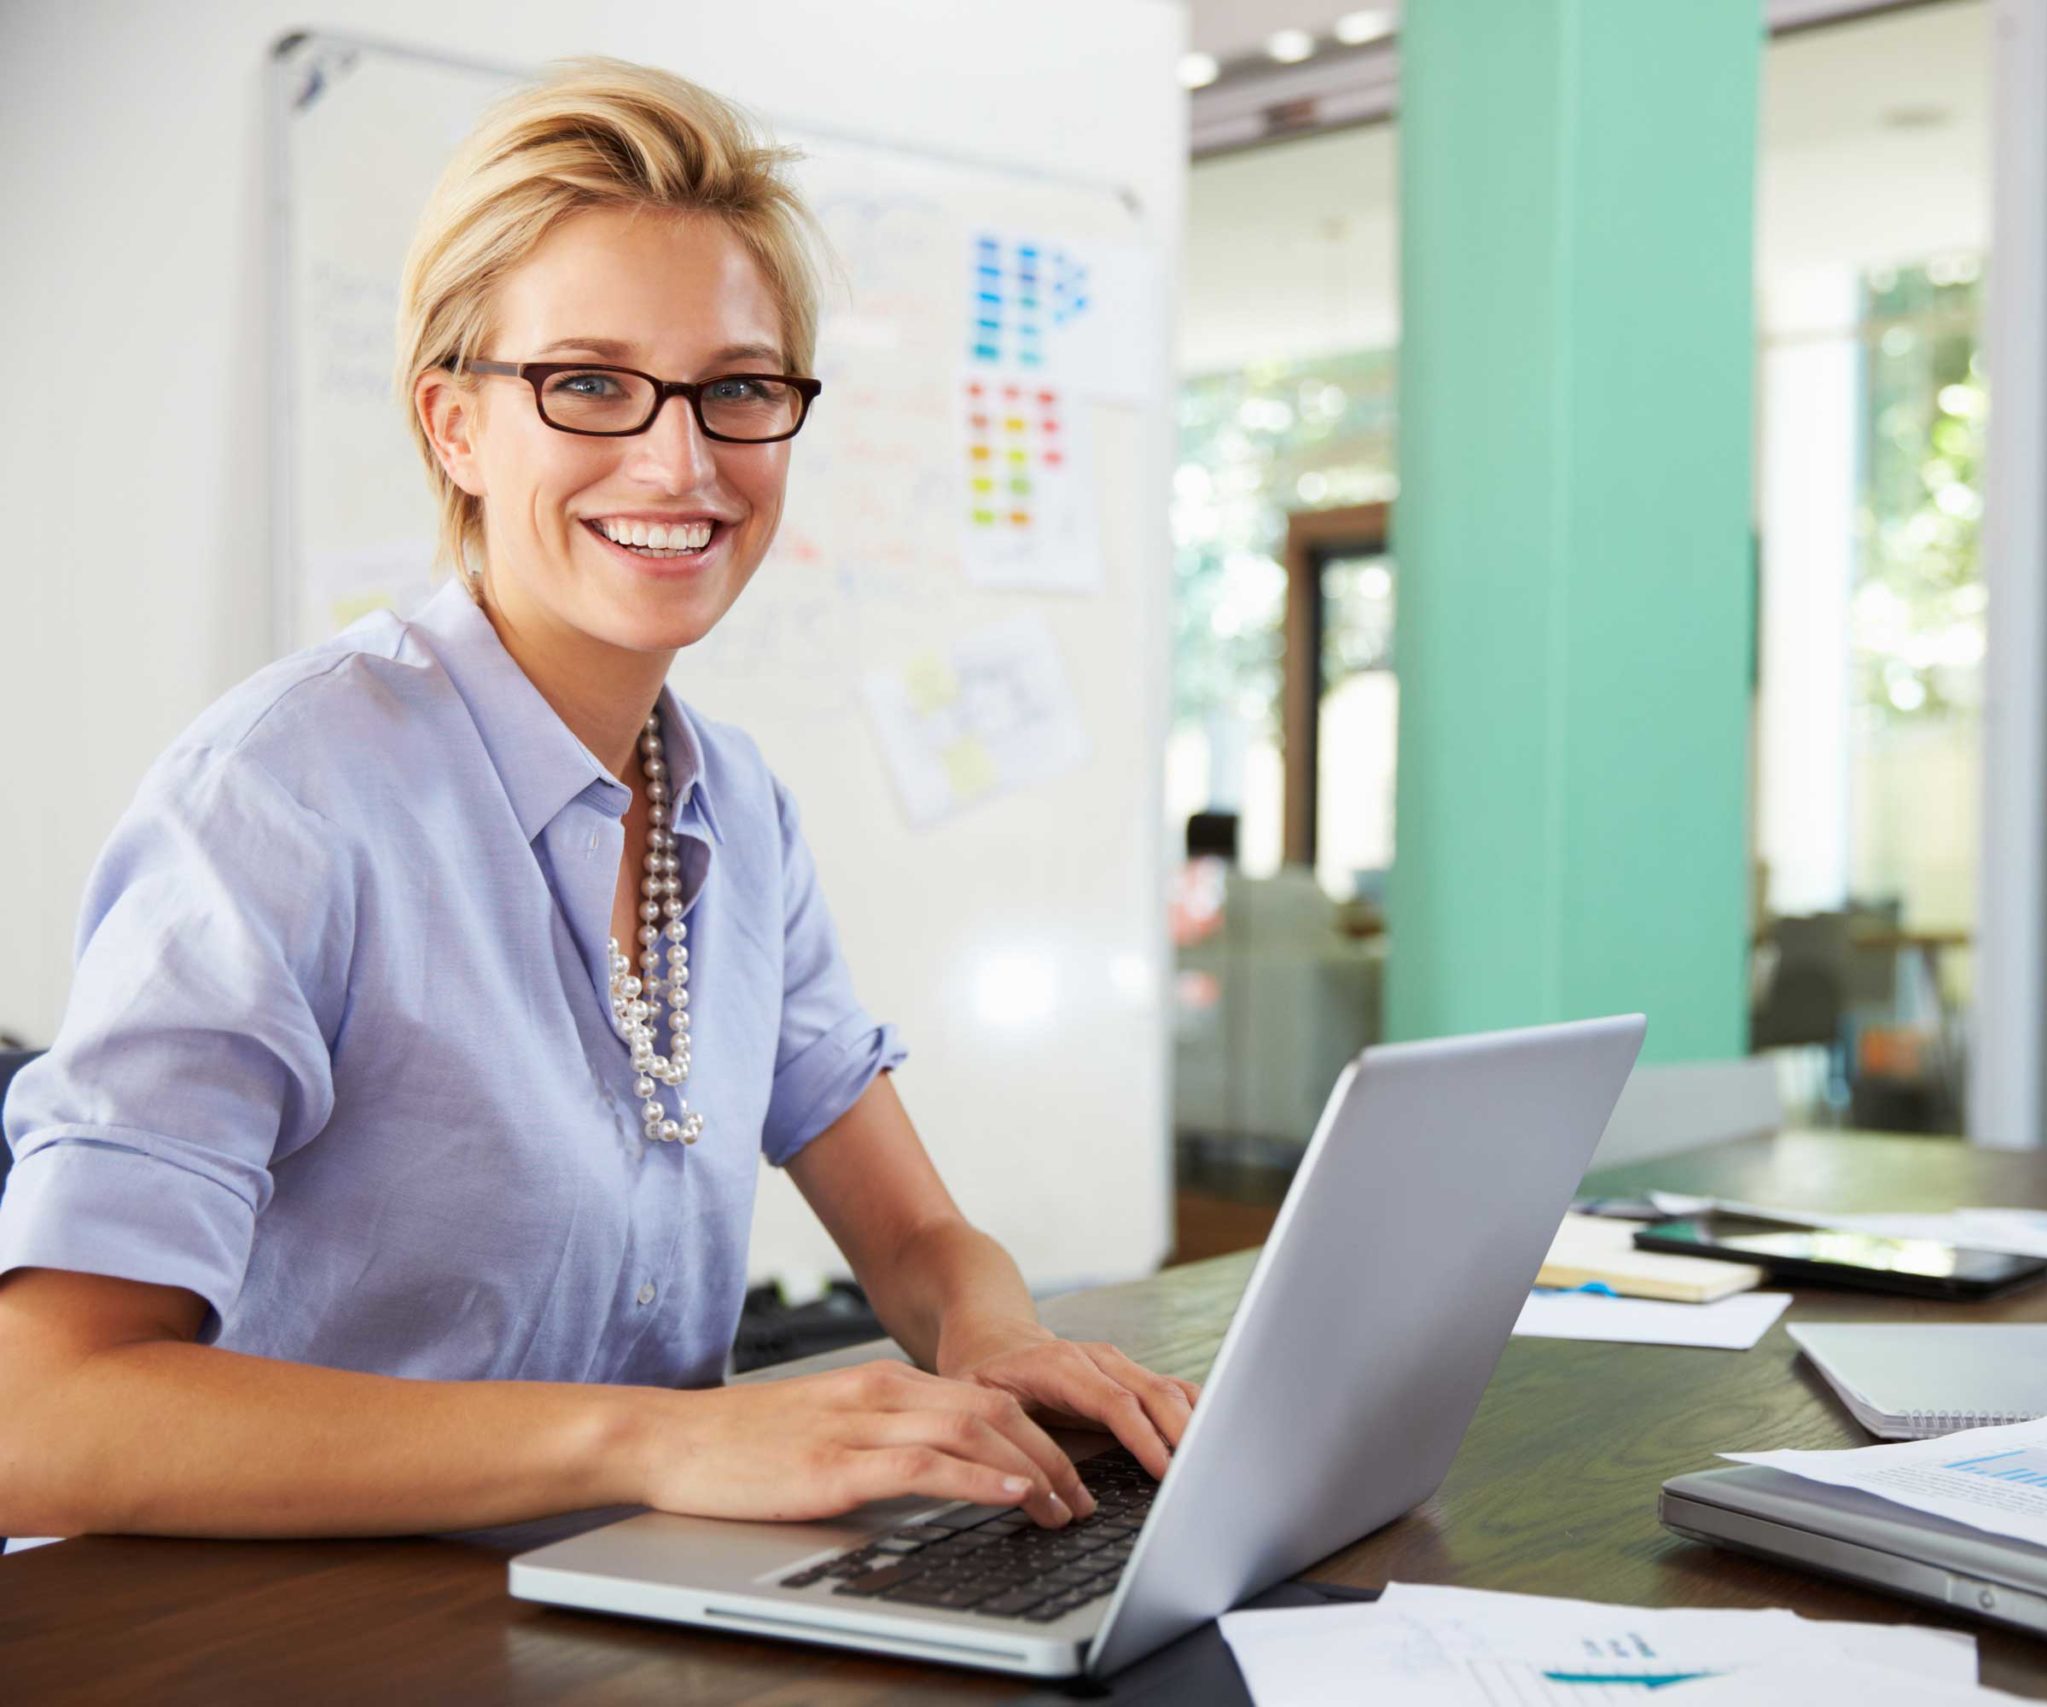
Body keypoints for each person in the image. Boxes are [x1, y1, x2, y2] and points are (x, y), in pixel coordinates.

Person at [0, 60, 1195, 1543]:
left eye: (739, 387)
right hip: (283, 1639)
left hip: (607, 1616)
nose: (681, 459)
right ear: (453, 425)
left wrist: (993, 1334)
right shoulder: (283, 797)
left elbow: (916, 1232)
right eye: (588, 383)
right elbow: (40, 1414)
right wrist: (659, 1444)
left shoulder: (735, 808)